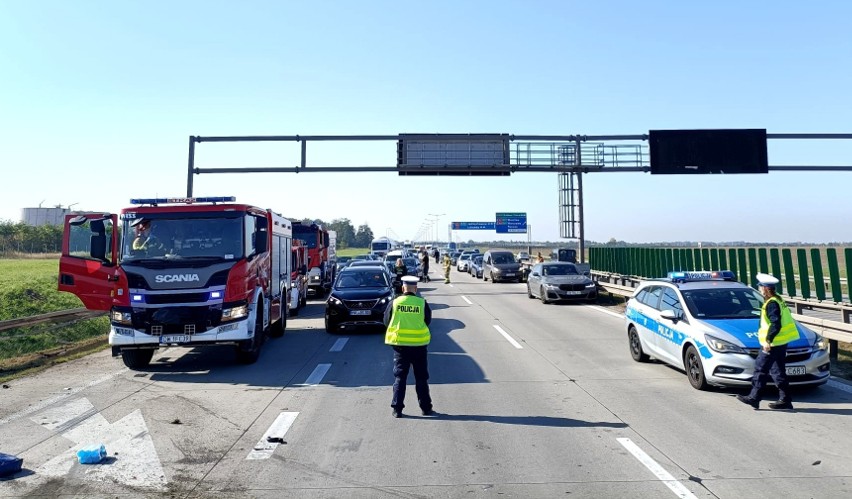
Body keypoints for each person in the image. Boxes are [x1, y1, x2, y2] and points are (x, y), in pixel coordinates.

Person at [737, 273, 800, 410]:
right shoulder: (778, 299)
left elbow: (775, 324)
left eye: (760, 286)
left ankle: (754, 398)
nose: (758, 288)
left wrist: (768, 341)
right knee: (778, 372)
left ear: (765, 288)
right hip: (781, 343)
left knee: (760, 370)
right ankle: (785, 400)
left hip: (772, 344)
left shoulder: (771, 303)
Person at [384, 275, 433, 418]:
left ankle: (397, 409)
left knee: (400, 377)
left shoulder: (395, 303)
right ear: (416, 289)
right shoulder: (422, 303)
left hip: (400, 347)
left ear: (402, 288)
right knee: (421, 378)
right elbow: (427, 320)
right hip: (419, 346)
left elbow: (386, 320)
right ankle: (425, 408)